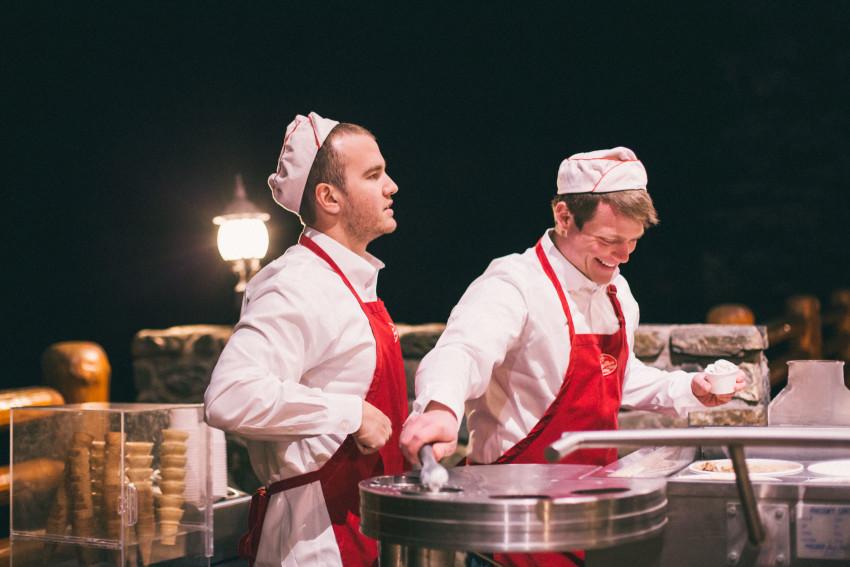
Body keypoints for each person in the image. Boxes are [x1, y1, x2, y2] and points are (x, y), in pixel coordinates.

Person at [399, 147, 745, 566]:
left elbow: (617, 372)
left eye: (632, 242)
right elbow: (462, 350)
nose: (622, 257)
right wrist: (439, 408)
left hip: (593, 516)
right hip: (517, 522)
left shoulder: (618, 293)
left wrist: (687, 388)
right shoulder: (514, 283)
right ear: (564, 216)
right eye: (608, 240)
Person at [204, 111, 408, 567]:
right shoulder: (296, 284)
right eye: (374, 175)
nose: (391, 185)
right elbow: (229, 396)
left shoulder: (350, 282)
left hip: (367, 533)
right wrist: (348, 412)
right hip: (316, 544)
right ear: (329, 197)